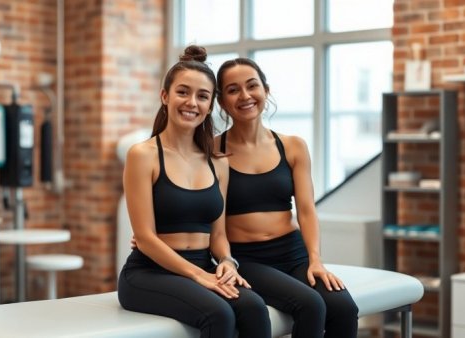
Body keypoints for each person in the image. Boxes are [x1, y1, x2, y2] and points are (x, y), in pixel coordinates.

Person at [117, 46, 271, 338]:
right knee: (218, 314)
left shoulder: (217, 163)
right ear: (165, 96)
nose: (192, 102)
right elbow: (146, 239)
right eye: (183, 92)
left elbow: (218, 235)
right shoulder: (143, 155)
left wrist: (226, 261)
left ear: (211, 104)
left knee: (254, 308)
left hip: (203, 265)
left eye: (202, 96)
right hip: (149, 274)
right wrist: (200, 276)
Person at [214, 57, 359, 338]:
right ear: (221, 101)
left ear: (265, 90)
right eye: (233, 90)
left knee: (343, 307)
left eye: (252, 85)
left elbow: (306, 210)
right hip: (246, 258)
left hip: (293, 253)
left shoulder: (292, 146)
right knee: (310, 305)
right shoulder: (212, 150)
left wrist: (315, 259)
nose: (245, 96)